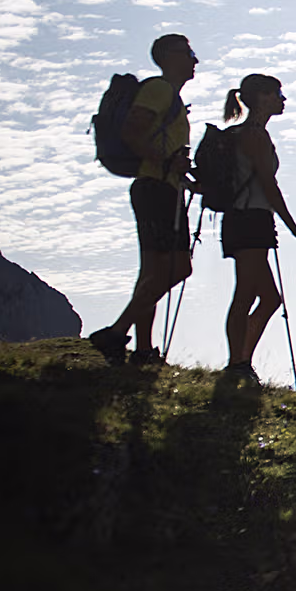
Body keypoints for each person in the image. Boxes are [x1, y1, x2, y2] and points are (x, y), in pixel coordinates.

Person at [88, 33, 199, 366]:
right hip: (157, 189)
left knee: (152, 272)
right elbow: (132, 132)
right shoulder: (159, 90)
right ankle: (115, 334)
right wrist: (167, 164)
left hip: (157, 186)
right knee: (178, 267)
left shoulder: (169, 97)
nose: (195, 59)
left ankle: (143, 350)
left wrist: (183, 174)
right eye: (188, 52)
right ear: (167, 56)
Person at [218, 74, 296, 384]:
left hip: (247, 219)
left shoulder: (247, 134)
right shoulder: (254, 136)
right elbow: (268, 185)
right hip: (250, 219)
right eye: (277, 94)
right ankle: (237, 363)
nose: (282, 100)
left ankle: (242, 361)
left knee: (269, 298)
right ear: (260, 97)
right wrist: (293, 227)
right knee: (246, 293)